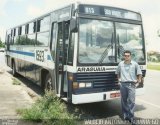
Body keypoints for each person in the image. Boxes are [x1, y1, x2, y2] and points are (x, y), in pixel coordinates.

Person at [115, 50, 142, 123]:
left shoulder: (135, 64)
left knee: (131, 101)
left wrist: (138, 82)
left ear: (130, 56)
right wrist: (119, 81)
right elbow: (117, 72)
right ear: (124, 56)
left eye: (128, 56)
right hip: (123, 85)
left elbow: (139, 73)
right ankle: (125, 116)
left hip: (131, 85)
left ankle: (131, 117)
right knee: (123, 101)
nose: (126, 57)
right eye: (125, 55)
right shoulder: (120, 64)